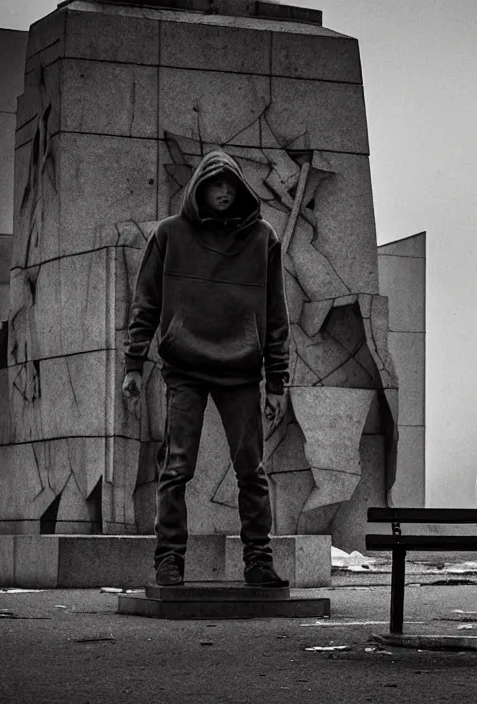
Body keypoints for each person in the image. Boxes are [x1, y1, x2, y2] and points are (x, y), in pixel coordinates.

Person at [122, 150, 290, 588]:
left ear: (240, 191)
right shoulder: (170, 235)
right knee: (176, 467)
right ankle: (170, 561)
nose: (223, 192)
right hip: (186, 368)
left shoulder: (263, 239)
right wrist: (133, 363)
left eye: (230, 186)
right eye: (216, 185)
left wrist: (277, 381)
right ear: (200, 188)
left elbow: (276, 315)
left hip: (241, 371)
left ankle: (258, 561)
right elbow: (146, 302)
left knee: (252, 470)